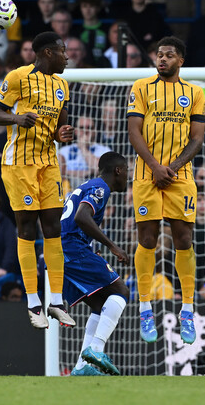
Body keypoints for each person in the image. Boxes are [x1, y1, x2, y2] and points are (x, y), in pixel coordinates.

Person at [0, 31, 75, 329]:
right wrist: (16, 119)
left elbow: (59, 129)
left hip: (48, 162)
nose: (68, 57)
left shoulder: (62, 85)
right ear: (48, 52)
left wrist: (62, 135)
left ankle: (57, 301)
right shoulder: (17, 78)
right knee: (27, 227)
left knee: (53, 227)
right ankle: (33, 302)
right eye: (64, 51)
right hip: (19, 163)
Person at [126, 36, 205, 345]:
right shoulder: (141, 88)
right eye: (159, 55)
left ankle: (187, 309)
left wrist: (171, 166)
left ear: (180, 60)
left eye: (169, 55)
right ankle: (145, 308)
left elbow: (197, 138)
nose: (162, 59)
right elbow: (134, 132)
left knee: (183, 238)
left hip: (180, 175)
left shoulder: (195, 93)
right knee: (147, 239)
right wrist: (156, 167)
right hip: (146, 175)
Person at [62, 152, 132, 377]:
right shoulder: (101, 188)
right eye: (127, 171)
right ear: (118, 171)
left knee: (99, 303)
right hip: (72, 249)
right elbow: (81, 217)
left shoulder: (87, 185)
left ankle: (83, 367)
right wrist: (112, 246)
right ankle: (96, 350)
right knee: (121, 291)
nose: (128, 177)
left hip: (61, 251)